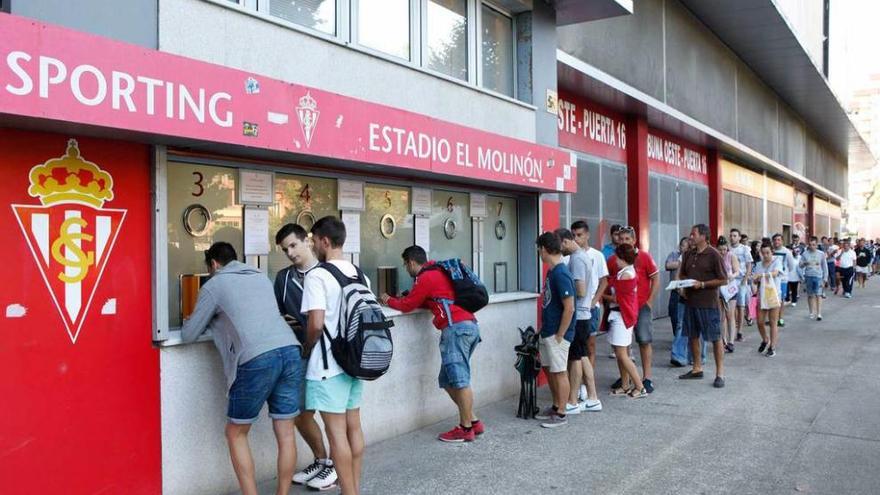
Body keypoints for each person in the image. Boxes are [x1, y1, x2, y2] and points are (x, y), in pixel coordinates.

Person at [182, 242, 303, 495]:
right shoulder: (260, 277)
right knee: (286, 432)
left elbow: (189, 334)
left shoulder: (214, 285)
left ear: (213, 264)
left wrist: (205, 321)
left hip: (257, 357)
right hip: (290, 348)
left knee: (236, 432)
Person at [380, 245, 486, 442]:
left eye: (405, 265)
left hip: (456, 330)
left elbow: (408, 305)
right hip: (467, 326)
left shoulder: (426, 277)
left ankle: (465, 429)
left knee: (460, 380)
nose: (406, 269)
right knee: (447, 380)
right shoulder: (439, 272)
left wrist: (388, 300)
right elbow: (428, 300)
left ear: (412, 262)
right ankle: (473, 421)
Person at [301, 216, 367, 495]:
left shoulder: (317, 275)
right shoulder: (359, 273)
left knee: (336, 433)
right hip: (354, 362)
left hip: (328, 365)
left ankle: (349, 492)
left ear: (325, 241)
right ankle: (352, 487)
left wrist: (306, 348)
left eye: (314, 240)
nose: (313, 245)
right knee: (354, 427)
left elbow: (315, 323)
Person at [273, 224, 338, 490]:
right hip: (300, 354)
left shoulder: (327, 273)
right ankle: (322, 461)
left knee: (331, 413)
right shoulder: (283, 279)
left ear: (307, 241)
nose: (290, 252)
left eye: (293, 245)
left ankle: (335, 466)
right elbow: (277, 313)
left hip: (329, 354)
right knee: (302, 413)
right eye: (285, 249)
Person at [555, 228, 603, 415]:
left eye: (559, 245)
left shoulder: (576, 259)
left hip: (581, 314)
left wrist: (566, 293)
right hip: (584, 314)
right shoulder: (581, 256)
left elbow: (581, 290)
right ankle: (592, 397)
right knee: (582, 356)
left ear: (566, 241)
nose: (559, 250)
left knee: (575, 357)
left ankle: (573, 400)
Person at [607, 226, 660, 393]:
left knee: (644, 340)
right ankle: (625, 378)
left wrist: (650, 302)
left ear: (634, 240)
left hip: (641, 306)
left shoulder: (644, 257)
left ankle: (647, 378)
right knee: (622, 345)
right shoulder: (614, 259)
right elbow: (607, 281)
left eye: (627, 239)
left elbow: (656, 278)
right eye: (620, 239)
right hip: (622, 309)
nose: (623, 242)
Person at [534, 232, 576, 428]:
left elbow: (570, 307)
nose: (539, 254)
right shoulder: (552, 272)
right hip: (548, 331)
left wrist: (560, 334)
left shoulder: (561, 273)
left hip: (558, 334)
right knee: (549, 369)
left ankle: (561, 413)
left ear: (544, 249)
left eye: (539, 249)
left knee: (560, 371)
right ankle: (556, 405)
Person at [678, 224, 728, 388]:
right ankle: (696, 368)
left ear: (703, 236)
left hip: (708, 303)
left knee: (715, 338)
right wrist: (682, 285)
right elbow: (683, 273)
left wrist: (703, 284)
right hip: (690, 302)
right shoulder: (688, 254)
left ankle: (720, 373)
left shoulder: (714, 254)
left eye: (693, 234)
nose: (690, 237)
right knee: (692, 335)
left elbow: (723, 279)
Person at [604, 243, 647, 398]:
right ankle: (625, 384)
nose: (615, 259)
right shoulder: (625, 271)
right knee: (620, 352)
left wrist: (601, 295)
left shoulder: (627, 274)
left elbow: (617, 297)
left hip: (622, 317)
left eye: (617, 256)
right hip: (619, 316)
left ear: (622, 257)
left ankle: (640, 387)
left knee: (622, 355)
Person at [570, 221, 609, 373]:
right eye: (573, 235)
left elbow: (604, 281)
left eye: (579, 235)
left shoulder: (597, 255)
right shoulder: (570, 256)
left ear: (587, 235)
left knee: (590, 345)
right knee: (576, 347)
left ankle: (587, 384)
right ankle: (578, 382)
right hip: (574, 308)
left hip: (590, 307)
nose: (576, 238)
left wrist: (594, 301)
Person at [752, 243, 783, 357]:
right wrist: (755, 280)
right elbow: (755, 280)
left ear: (772, 252)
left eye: (767, 253)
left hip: (774, 295)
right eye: (763, 253)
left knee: (773, 322)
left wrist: (762, 275)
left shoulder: (777, 261)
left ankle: (772, 347)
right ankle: (765, 339)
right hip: (762, 296)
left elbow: (775, 273)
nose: (765, 255)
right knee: (760, 321)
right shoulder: (759, 265)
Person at [716, 237, 741, 353]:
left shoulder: (731, 256)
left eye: (724, 249)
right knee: (721, 316)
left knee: (730, 315)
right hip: (719, 289)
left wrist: (732, 276)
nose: (722, 252)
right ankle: (723, 340)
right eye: (720, 250)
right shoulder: (715, 257)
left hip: (730, 289)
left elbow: (737, 271)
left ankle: (731, 342)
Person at [729, 229, 753, 339]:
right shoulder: (728, 249)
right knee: (731, 306)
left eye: (734, 236)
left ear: (739, 237)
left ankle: (740, 331)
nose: (732, 237)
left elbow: (749, 265)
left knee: (741, 305)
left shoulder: (744, 249)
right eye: (731, 236)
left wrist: (745, 279)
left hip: (741, 279)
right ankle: (734, 328)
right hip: (730, 280)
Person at [799, 236, 828, 321]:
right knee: (810, 295)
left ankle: (819, 313)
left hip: (818, 276)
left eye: (814, 244)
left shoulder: (821, 254)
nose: (812, 246)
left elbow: (824, 266)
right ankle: (811, 312)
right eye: (810, 245)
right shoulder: (805, 254)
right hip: (808, 276)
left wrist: (825, 279)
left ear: (816, 245)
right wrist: (804, 263)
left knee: (818, 294)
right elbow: (800, 265)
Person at [771, 234, 796, 327]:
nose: (776, 242)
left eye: (778, 240)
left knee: (780, 300)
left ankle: (780, 319)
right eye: (775, 240)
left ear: (782, 241)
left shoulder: (787, 252)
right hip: (772, 279)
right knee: (772, 299)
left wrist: (784, 273)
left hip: (782, 280)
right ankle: (773, 318)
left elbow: (791, 265)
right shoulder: (771, 251)